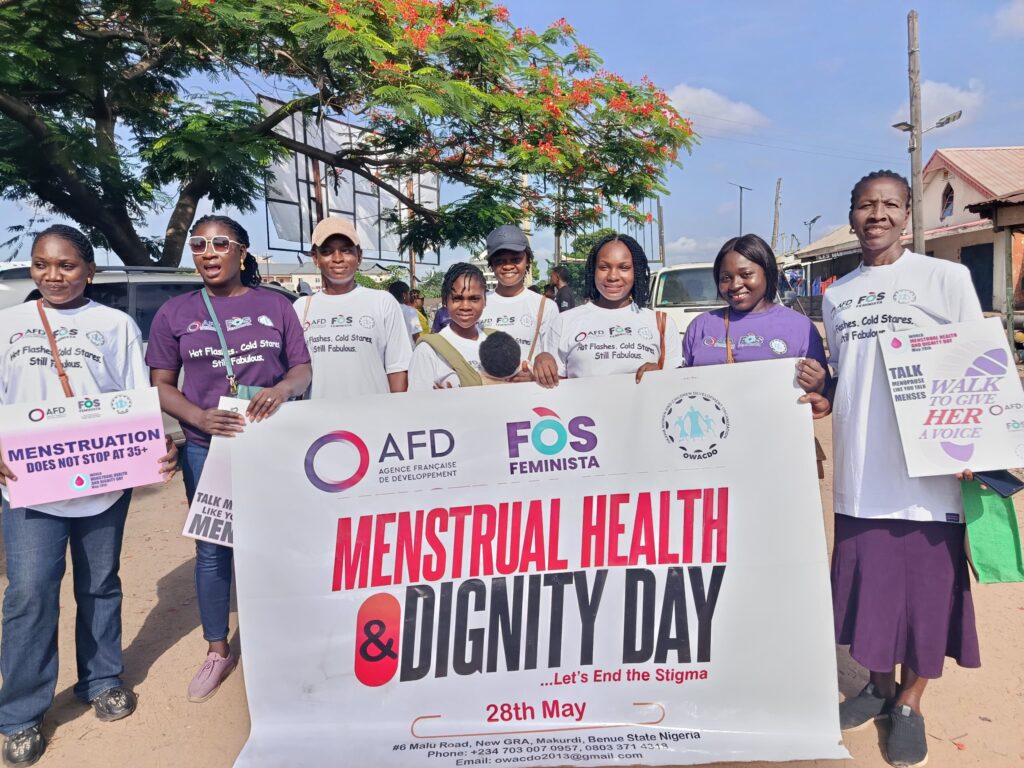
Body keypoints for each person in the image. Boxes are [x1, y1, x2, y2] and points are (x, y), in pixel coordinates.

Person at [802, 170, 983, 768]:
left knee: (928, 598)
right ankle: (877, 687)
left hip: (930, 471)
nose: (876, 214)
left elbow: (980, 362)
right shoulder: (838, 292)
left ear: (907, 214)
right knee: (872, 595)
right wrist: (819, 388)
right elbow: (843, 379)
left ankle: (910, 702)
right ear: (851, 214)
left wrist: (976, 448)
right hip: (861, 471)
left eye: (889, 204)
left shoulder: (946, 278)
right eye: (865, 205)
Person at [0, 225, 177, 767]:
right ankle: (21, 712)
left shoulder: (115, 325)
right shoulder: (8, 323)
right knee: (30, 591)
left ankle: (100, 680)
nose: (53, 275)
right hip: (29, 484)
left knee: (100, 584)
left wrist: (156, 447)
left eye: (67, 265)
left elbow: (134, 399)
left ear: (89, 270)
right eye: (42, 264)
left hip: (103, 484)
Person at [146, 215, 311, 704]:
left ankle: (287, 640)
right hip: (205, 448)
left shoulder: (277, 305)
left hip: (271, 445)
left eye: (220, 243)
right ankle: (218, 650)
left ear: (241, 252)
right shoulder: (174, 313)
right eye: (198, 244)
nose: (208, 252)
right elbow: (160, 385)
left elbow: (301, 367)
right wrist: (198, 414)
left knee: (278, 543)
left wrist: (282, 389)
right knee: (214, 549)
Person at [683, 233, 828, 393]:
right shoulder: (700, 325)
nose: (735, 284)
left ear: (767, 273)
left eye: (746, 275)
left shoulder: (801, 327)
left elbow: (824, 394)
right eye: (726, 278)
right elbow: (681, 386)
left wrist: (818, 386)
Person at [533, 234, 681, 386]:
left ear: (636, 271)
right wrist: (542, 363)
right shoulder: (564, 321)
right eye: (604, 267)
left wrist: (661, 376)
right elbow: (554, 390)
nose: (613, 276)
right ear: (593, 270)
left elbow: (676, 388)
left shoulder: (661, 324)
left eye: (624, 267)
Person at [295, 218, 411, 397]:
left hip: (373, 418)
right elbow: (294, 373)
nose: (338, 258)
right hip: (320, 421)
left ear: (359, 255)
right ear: (316, 258)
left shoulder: (382, 302)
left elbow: (398, 369)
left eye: (346, 250)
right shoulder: (302, 308)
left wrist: (395, 417)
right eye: (327, 252)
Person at [479, 224, 557, 378]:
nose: (508, 266)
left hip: (528, 395)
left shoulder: (546, 307)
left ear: (528, 261)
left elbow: (554, 359)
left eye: (515, 259)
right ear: (491, 265)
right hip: (484, 393)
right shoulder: (478, 304)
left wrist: (535, 375)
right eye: (500, 260)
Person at [408, 263, 491, 390]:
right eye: (457, 299)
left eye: (474, 298)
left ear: (485, 300)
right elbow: (418, 405)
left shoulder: (497, 341)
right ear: (445, 301)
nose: (465, 306)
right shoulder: (428, 350)